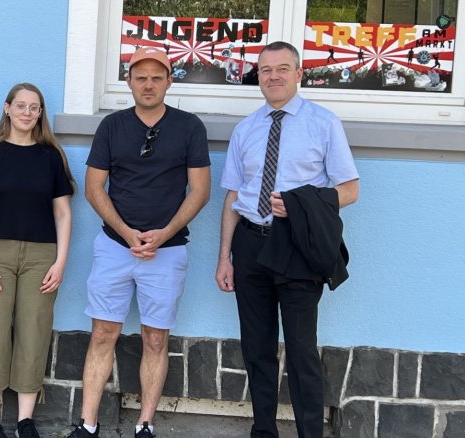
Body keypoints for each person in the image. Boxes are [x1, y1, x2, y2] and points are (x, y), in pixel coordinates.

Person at [215, 41, 360, 438]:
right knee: (257, 349)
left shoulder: (323, 123)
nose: (273, 76)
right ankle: (264, 431)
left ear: (299, 74)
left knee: (301, 351)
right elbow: (232, 196)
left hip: (297, 245)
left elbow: (349, 189)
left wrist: (302, 205)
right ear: (257, 77)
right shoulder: (246, 128)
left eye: (282, 68)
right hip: (250, 244)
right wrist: (224, 257)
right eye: (265, 70)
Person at [68, 46, 211, 438]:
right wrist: (126, 231)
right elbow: (94, 188)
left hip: (168, 250)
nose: (148, 84)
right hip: (115, 246)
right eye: (140, 77)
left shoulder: (189, 127)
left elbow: (200, 190)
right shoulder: (112, 126)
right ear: (129, 82)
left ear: (169, 81)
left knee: (155, 337)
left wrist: (163, 233)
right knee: (103, 333)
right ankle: (88, 423)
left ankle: (145, 424)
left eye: (156, 77)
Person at [0, 83, 74, 438]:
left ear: (40, 114)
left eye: (35, 108)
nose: (28, 113)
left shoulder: (50, 156)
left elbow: (62, 213)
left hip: (41, 256)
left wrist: (60, 261)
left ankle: (25, 421)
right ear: (7, 108)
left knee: (34, 331)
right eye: (21, 106)